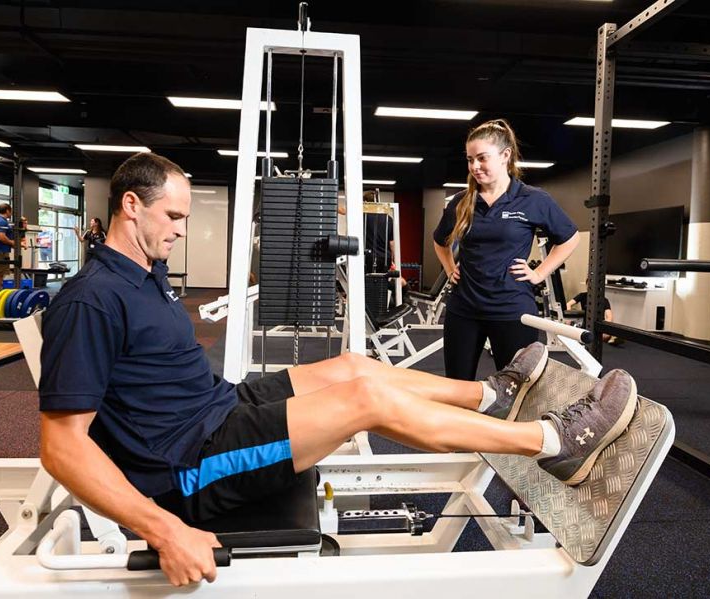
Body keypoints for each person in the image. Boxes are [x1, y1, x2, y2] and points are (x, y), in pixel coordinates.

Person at [39, 152, 636, 587]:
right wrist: (165, 530)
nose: (180, 228)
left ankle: (487, 395)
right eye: (173, 216)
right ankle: (553, 441)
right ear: (131, 205)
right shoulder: (92, 300)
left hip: (218, 409)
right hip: (191, 470)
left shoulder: (143, 277)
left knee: (354, 366)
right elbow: (62, 448)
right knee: (363, 405)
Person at [433, 119, 580, 380]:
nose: (474, 167)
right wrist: (449, 267)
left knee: (515, 388)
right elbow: (440, 241)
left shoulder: (533, 199)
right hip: (464, 309)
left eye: (482, 158)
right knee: (456, 386)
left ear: (505, 156)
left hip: (512, 309)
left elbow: (569, 238)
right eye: (470, 159)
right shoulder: (461, 201)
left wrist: (539, 274)